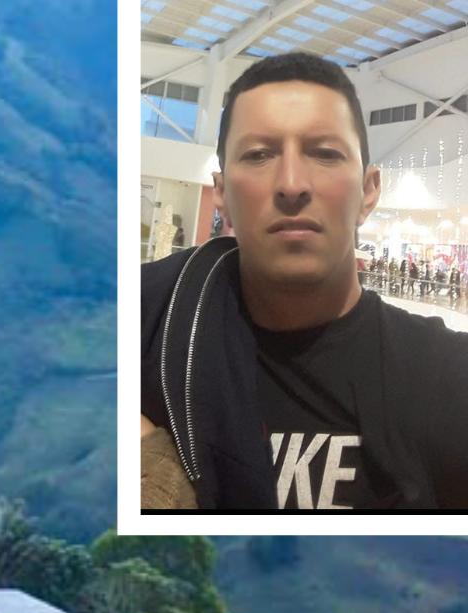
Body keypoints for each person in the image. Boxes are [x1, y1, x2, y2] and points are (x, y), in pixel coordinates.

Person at [142, 52, 468, 509]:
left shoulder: (446, 379)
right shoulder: (142, 330)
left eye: (325, 153)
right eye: (258, 154)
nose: (291, 183)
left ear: (368, 191)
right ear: (222, 195)